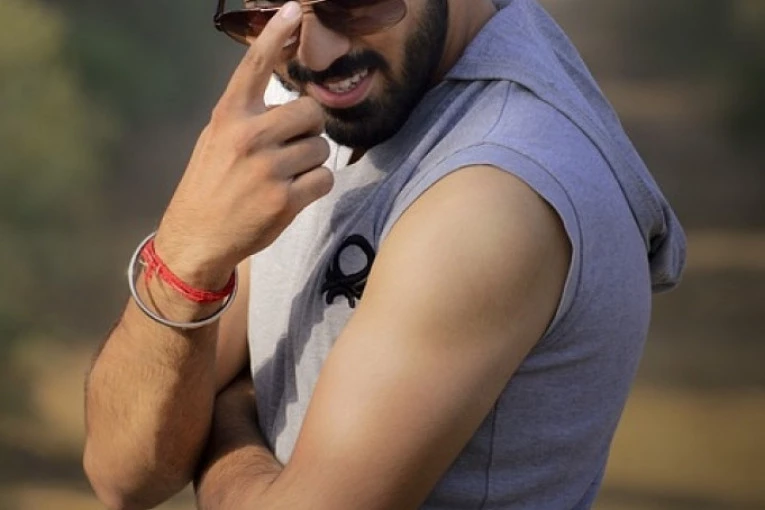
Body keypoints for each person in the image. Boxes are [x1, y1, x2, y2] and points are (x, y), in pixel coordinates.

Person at [83, 0, 686, 508]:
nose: (314, 54)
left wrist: (231, 418)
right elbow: (124, 473)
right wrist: (187, 253)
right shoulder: (310, 91)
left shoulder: (492, 196)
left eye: (351, 3)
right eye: (269, 14)